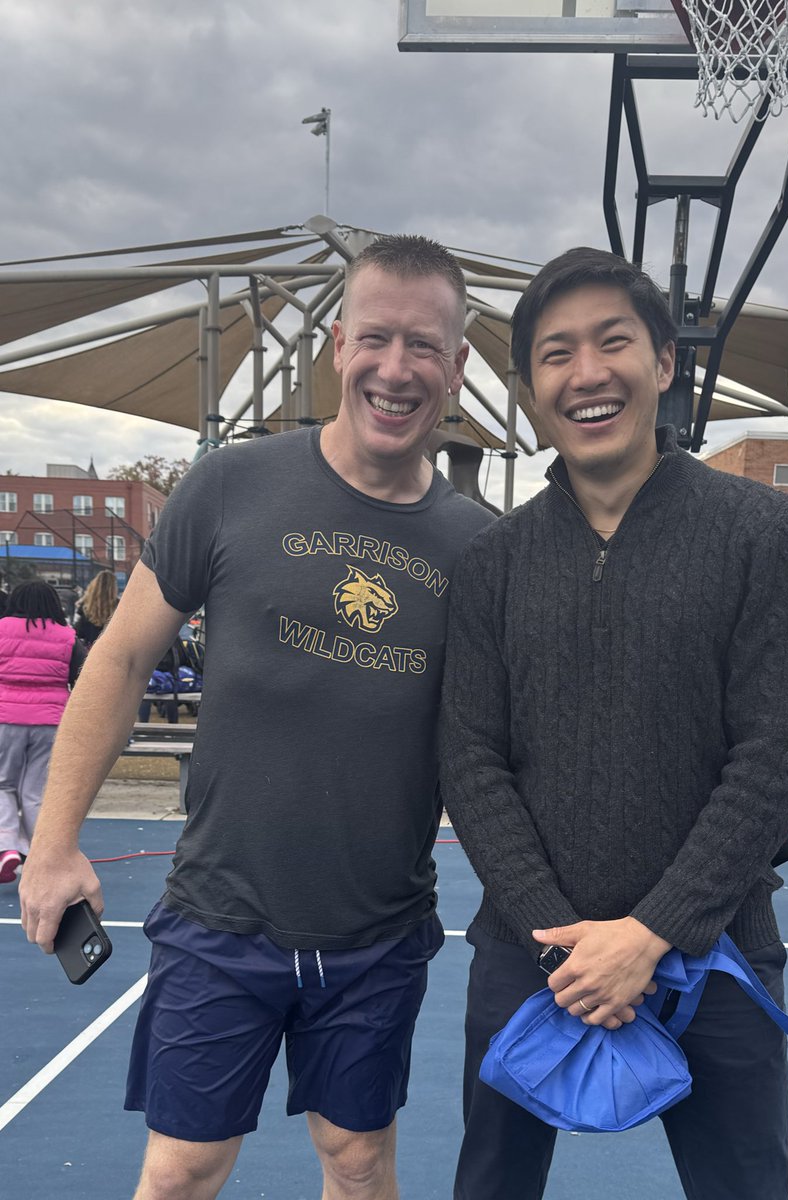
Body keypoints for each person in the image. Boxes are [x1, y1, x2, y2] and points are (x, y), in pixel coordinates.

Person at [19, 234, 493, 1200]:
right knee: (185, 1170)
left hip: (377, 931)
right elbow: (119, 660)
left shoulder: (479, 547)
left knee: (358, 1166)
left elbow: (508, 739)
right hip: (221, 919)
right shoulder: (234, 484)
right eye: (375, 338)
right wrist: (54, 840)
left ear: (459, 364)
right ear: (336, 346)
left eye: (422, 346)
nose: (395, 369)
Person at [439, 247, 788, 1200]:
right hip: (530, 956)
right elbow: (470, 757)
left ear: (662, 364)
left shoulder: (760, 534)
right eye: (556, 355)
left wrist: (651, 932)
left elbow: (775, 758)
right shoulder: (493, 562)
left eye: (613, 342)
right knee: (490, 1187)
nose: (587, 373)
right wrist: (558, 939)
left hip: (717, 949)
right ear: (533, 391)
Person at [0, 582, 86, 883]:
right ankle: (44, 853)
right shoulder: (67, 637)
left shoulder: (2, 629)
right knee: (35, 792)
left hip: (5, 717)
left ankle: (7, 845)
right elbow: (82, 678)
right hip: (50, 719)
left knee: (3, 784)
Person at [73, 569, 119, 646]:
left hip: (91, 650)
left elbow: (78, 631)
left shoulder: (86, 606)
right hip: (112, 648)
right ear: (113, 588)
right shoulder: (118, 606)